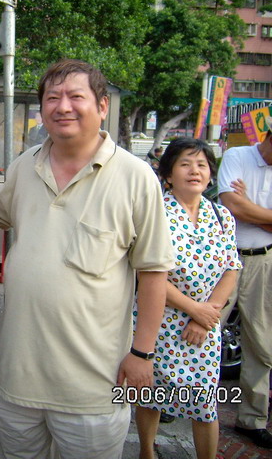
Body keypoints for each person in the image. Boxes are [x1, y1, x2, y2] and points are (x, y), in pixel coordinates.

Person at [0, 59, 174, 459]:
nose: (63, 107)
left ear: (102, 106)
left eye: (76, 96)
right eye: (52, 98)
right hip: (16, 380)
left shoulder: (136, 177)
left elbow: (154, 272)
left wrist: (143, 353)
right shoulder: (24, 165)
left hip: (93, 388)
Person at [135, 138, 241, 459]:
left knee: (205, 404)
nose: (195, 171)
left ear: (210, 174)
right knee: (153, 395)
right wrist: (194, 309)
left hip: (205, 326)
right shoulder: (155, 213)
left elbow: (232, 268)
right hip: (161, 321)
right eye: (185, 164)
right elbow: (147, 273)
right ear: (168, 174)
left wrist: (206, 315)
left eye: (201, 165)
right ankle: (146, 452)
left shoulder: (221, 216)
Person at [217, 116, 272, 449]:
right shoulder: (237, 156)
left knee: (261, 343)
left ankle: (252, 420)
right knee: (201, 329)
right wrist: (248, 208)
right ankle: (175, 402)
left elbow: (244, 209)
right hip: (224, 260)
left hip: (264, 260)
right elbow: (231, 204)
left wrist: (250, 208)